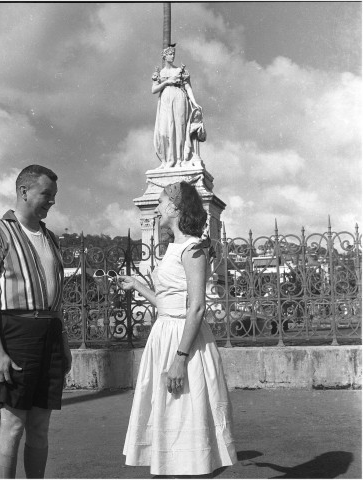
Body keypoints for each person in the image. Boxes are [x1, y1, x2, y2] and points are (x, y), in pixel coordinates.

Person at [120, 181, 237, 476]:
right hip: (164, 334)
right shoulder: (175, 247)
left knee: (191, 422)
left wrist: (180, 358)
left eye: (161, 202)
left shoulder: (193, 249)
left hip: (185, 341)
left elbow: (196, 307)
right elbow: (166, 301)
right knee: (169, 422)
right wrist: (138, 286)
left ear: (175, 206)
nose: (157, 208)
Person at [0, 164, 72, 479]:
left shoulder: (51, 237)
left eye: (54, 196)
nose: (51, 202)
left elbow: (55, 300)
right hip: (14, 334)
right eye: (47, 194)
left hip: (50, 335)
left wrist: (65, 345)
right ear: (24, 191)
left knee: (40, 428)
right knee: (13, 425)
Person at [152, 44, 202, 168]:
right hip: (165, 100)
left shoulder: (180, 71)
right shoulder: (159, 73)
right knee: (164, 131)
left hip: (179, 98)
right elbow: (153, 89)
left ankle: (179, 160)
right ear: (164, 56)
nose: (172, 56)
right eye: (170, 54)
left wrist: (195, 103)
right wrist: (167, 82)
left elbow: (188, 87)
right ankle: (166, 160)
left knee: (179, 129)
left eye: (173, 54)